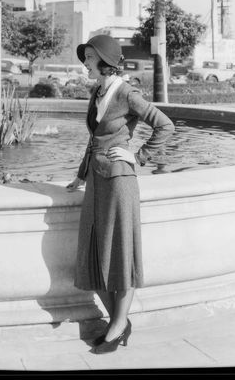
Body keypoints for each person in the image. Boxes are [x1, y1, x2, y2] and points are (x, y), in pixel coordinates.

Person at [66, 35, 174, 354]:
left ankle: (116, 327)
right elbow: (94, 139)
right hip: (97, 183)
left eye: (88, 57)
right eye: (85, 57)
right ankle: (120, 321)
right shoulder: (97, 91)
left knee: (121, 256)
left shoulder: (127, 93)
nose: (84, 63)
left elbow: (164, 125)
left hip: (120, 182)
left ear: (103, 60)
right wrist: (79, 175)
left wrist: (137, 157)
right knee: (92, 255)